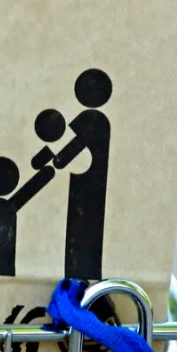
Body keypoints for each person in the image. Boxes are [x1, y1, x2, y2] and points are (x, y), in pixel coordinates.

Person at [35, 69, 112, 280]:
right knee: (92, 237)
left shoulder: (90, 119)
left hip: (84, 186)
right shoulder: (103, 121)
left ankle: (78, 280)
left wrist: (41, 160)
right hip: (97, 184)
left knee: (80, 238)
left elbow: (64, 154)